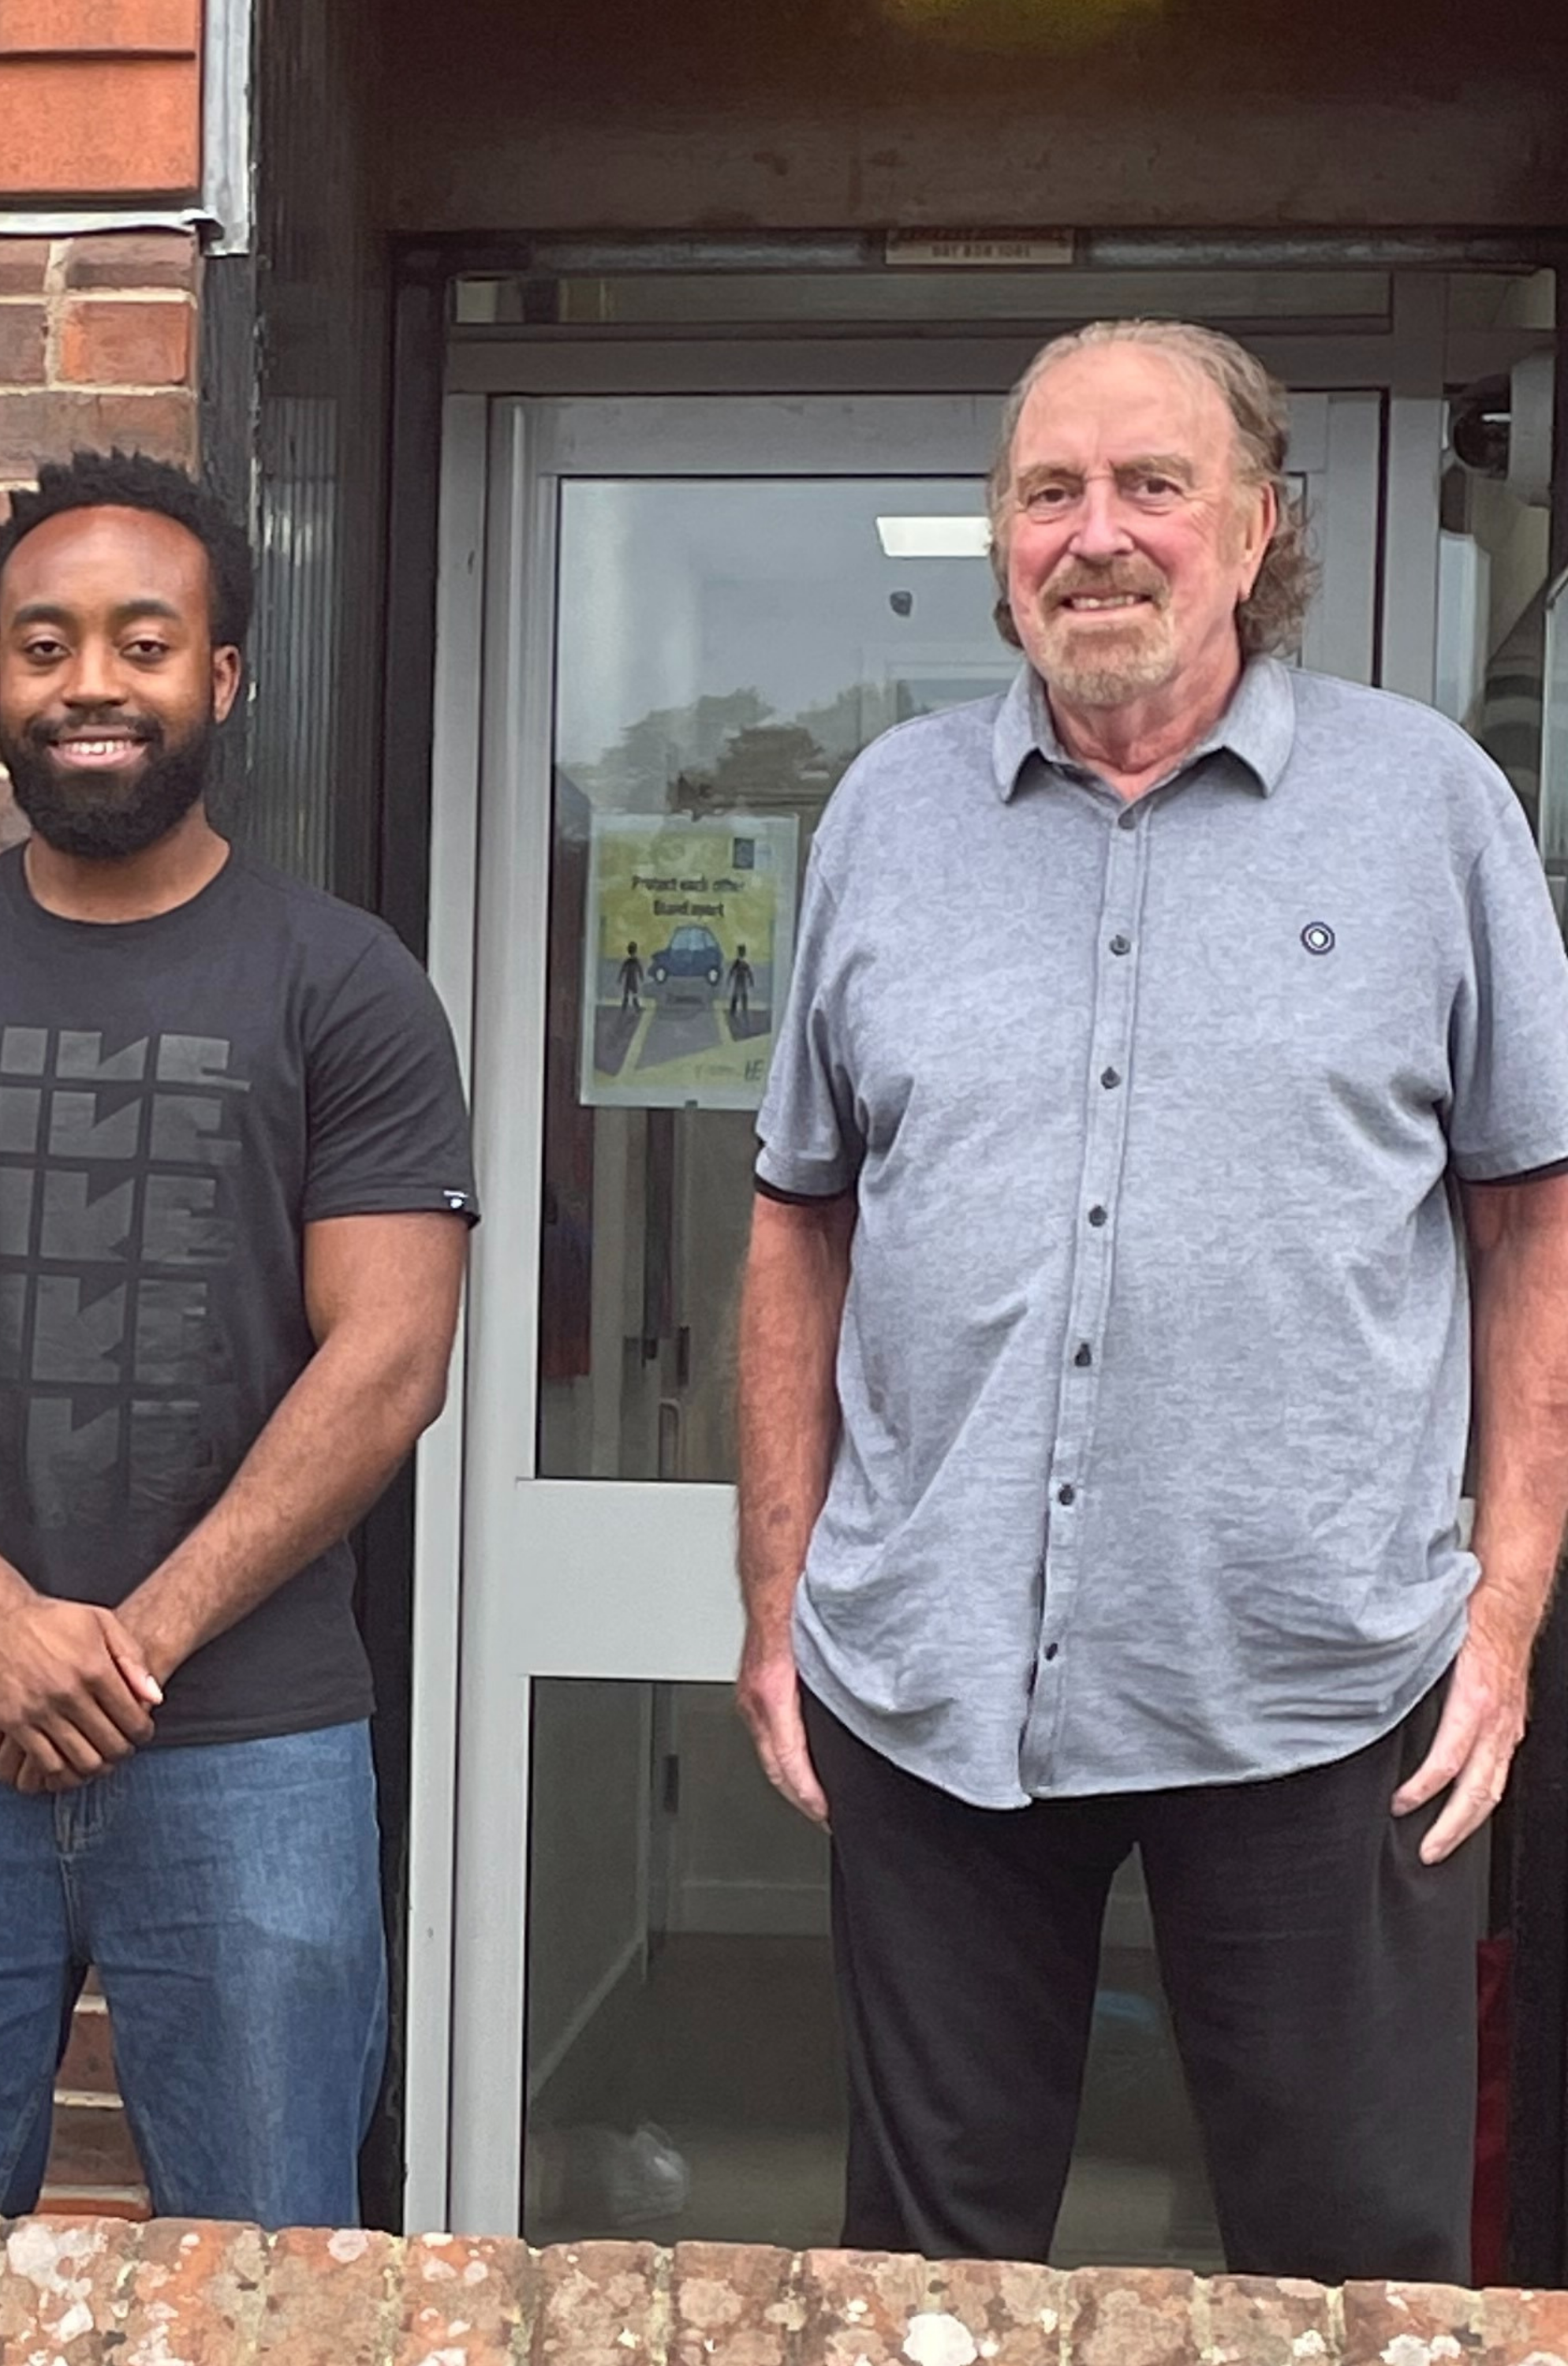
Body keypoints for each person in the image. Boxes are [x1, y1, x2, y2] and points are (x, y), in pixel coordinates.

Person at [736, 319, 1568, 2282]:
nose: (1091, 536)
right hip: (931, 1686)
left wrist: (1508, 1612)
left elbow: (1529, 1225)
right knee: (930, 2278)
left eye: (1148, 486)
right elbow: (798, 1222)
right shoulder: (884, 816)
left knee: (1350, 2278)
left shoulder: (1427, 809)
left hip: (1318, 1688)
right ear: (997, 535)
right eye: (1046, 492)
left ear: (1254, 523)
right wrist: (773, 1600)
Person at [0, 450, 476, 2227]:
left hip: (249, 1750)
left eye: (140, 644)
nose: (87, 683)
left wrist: (121, 1651)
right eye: (42, 643)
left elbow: (384, 1361)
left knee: (264, 2279)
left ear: (219, 679)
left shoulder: (342, 982)